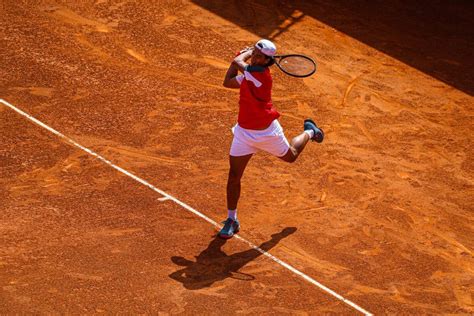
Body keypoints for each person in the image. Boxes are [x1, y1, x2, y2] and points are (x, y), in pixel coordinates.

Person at [219, 39, 324, 239]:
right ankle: (232, 219)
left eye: (260, 56)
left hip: (267, 133)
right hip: (244, 134)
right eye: (256, 54)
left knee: (291, 156)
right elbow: (228, 81)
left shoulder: (260, 76)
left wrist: (246, 53)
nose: (256, 58)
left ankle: (310, 131)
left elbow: (238, 61)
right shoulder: (250, 75)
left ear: (268, 61)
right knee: (234, 176)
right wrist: (241, 59)